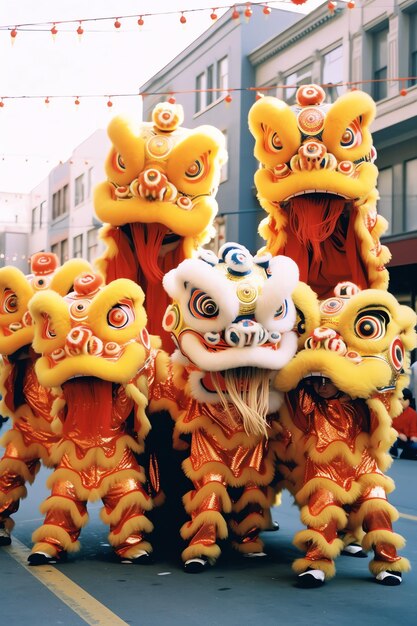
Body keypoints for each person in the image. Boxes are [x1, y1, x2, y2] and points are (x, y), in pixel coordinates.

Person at [390, 388, 417, 460]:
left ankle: (405, 454)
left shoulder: (413, 414)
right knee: (392, 439)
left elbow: (414, 430)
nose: (401, 402)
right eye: (399, 399)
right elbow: (388, 427)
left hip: (407, 440)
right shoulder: (391, 412)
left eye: (404, 400)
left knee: (415, 446)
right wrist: (398, 434)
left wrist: (413, 437)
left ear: (409, 401)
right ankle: (393, 454)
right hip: (395, 438)